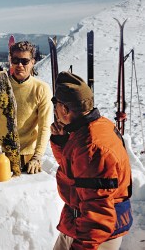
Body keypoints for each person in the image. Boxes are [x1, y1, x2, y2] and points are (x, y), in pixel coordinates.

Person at [50, 71, 132, 250]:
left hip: (93, 235)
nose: (54, 110)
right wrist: (61, 141)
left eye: (55, 104)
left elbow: (99, 214)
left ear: (65, 109)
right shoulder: (98, 127)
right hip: (79, 225)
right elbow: (75, 172)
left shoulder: (92, 147)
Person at [0, 41, 53, 174]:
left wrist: (37, 156)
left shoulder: (41, 89)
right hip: (1, 153)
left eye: (24, 61)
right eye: (15, 60)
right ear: (10, 60)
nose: (19, 65)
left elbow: (45, 126)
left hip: (28, 156)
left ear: (33, 62)